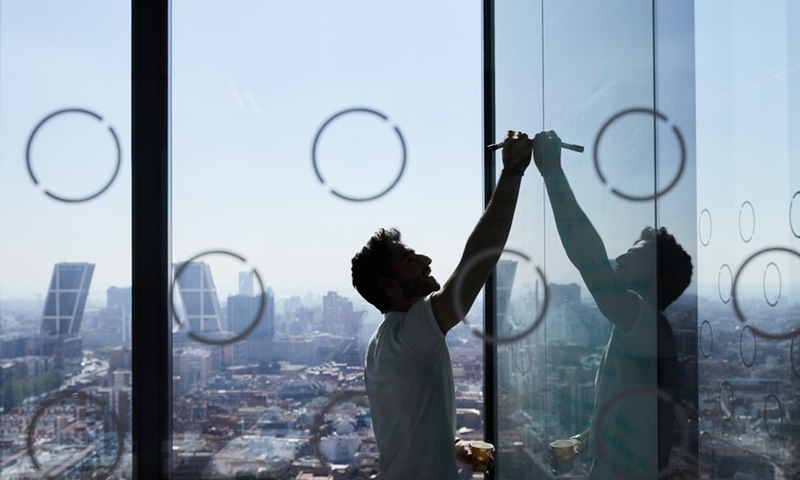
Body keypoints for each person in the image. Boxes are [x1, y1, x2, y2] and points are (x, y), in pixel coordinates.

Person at [351, 130, 533, 479]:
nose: (426, 260)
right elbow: (477, 262)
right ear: (389, 285)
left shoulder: (380, 343)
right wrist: (512, 172)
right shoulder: (412, 332)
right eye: (410, 260)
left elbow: (408, 425)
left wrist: (454, 446)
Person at [534, 131, 692, 479]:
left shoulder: (648, 327)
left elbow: (590, 260)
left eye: (635, 256)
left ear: (656, 280)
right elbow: (626, 416)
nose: (620, 258)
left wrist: (552, 172)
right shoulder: (633, 332)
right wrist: (581, 442)